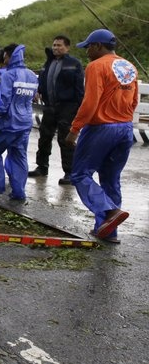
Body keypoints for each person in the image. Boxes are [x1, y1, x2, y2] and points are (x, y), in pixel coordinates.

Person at [65, 29, 138, 244]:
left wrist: (74, 129)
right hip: (125, 127)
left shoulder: (96, 66)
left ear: (98, 46)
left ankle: (108, 211)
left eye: (88, 47)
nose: (87, 51)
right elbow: (134, 100)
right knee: (110, 178)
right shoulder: (129, 66)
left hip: (101, 128)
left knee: (80, 175)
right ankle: (108, 231)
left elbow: (90, 102)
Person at [29, 35, 84, 184]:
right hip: (49, 106)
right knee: (44, 137)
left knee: (65, 140)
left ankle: (70, 172)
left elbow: (79, 87)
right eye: (54, 45)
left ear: (67, 47)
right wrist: (38, 90)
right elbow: (42, 80)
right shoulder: (48, 62)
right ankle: (42, 167)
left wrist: (79, 108)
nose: (55, 48)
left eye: (59, 45)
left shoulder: (74, 64)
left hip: (67, 107)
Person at [0, 44, 38, 201]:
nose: (4, 60)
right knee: (18, 156)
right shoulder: (31, 75)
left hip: (7, 123)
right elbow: (32, 97)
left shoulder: (8, 75)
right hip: (25, 123)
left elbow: (3, 103)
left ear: (9, 57)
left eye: (5, 56)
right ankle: (19, 192)